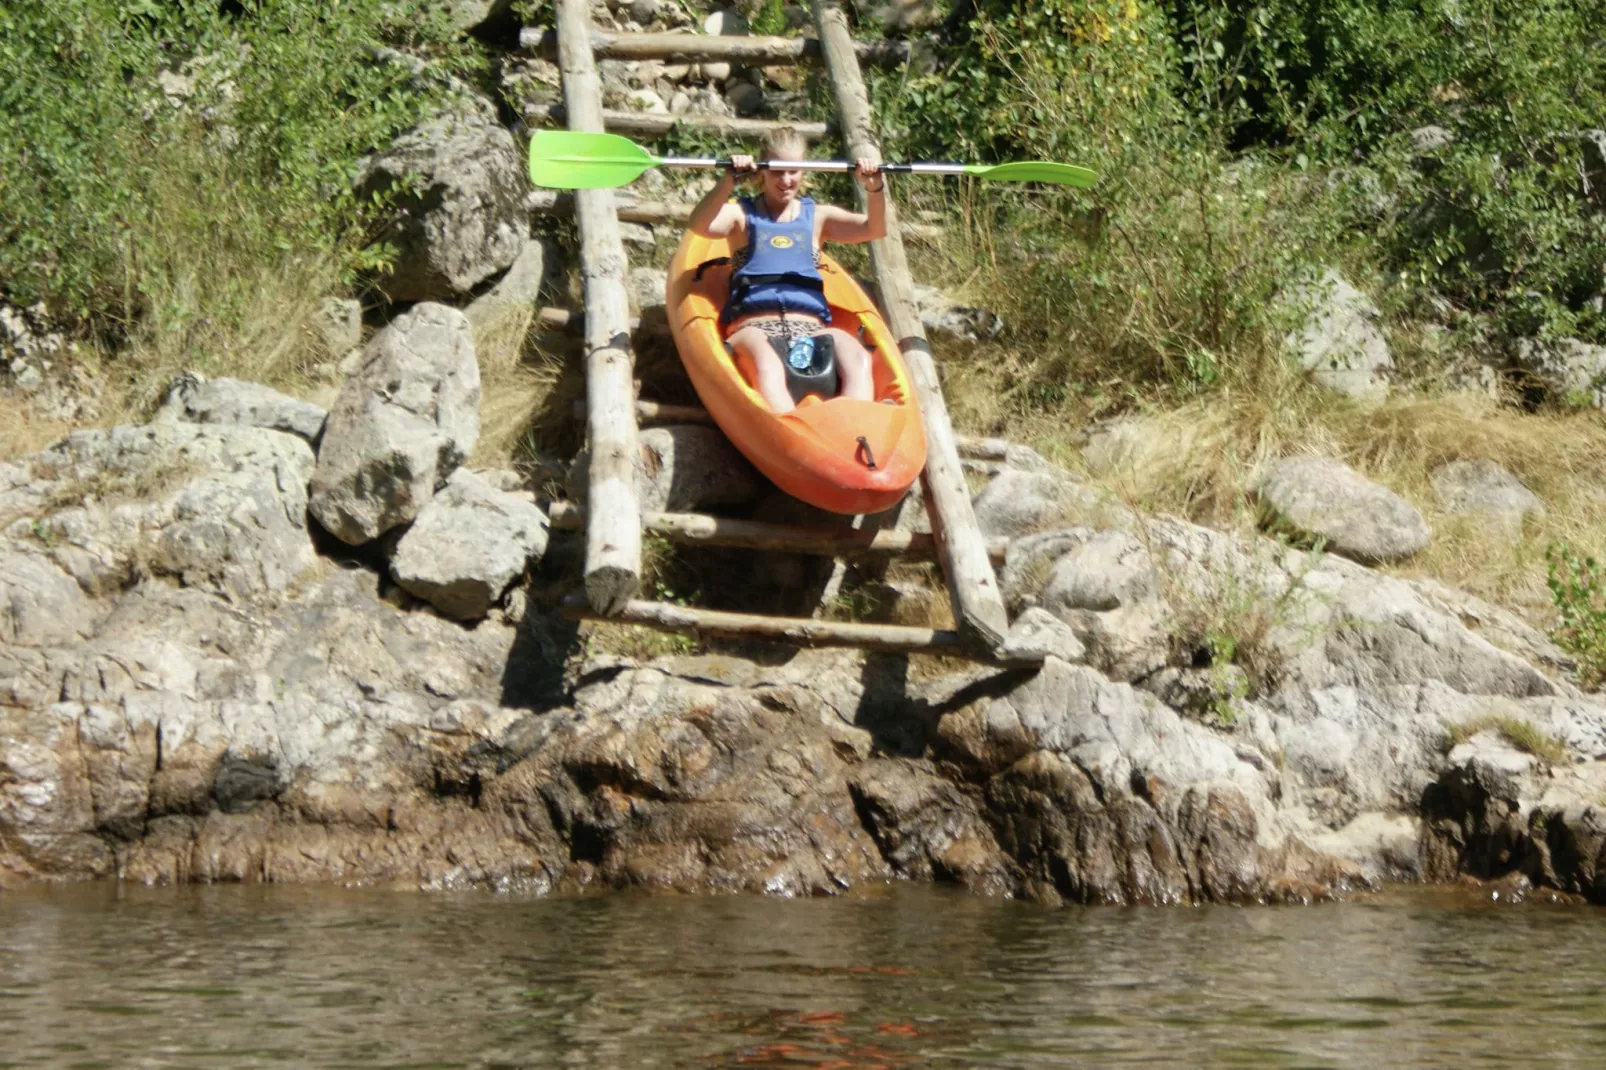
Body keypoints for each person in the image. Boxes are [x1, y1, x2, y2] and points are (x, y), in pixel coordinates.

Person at [686, 126, 886, 413]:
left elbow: (874, 228)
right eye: (777, 171)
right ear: (762, 172)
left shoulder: (818, 217)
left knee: (858, 358)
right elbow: (699, 225)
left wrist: (874, 186)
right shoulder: (741, 216)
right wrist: (728, 181)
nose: (786, 180)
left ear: (804, 172)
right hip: (754, 327)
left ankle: (853, 427)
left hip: (810, 329)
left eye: (793, 171)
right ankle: (787, 426)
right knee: (767, 364)